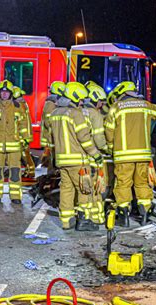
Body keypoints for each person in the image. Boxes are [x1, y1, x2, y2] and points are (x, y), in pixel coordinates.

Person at [105, 81, 156, 227]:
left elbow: (109, 131)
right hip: (143, 155)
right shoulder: (145, 105)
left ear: (122, 93)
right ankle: (145, 213)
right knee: (142, 184)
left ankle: (124, 216)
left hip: (123, 155)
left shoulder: (116, 108)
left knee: (123, 184)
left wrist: (110, 147)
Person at [44, 82, 102, 231]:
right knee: (85, 190)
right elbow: (84, 138)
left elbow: (51, 136)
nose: (82, 103)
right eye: (81, 99)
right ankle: (84, 220)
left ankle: (66, 220)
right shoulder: (76, 113)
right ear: (74, 97)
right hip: (78, 160)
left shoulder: (55, 113)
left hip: (62, 160)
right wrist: (95, 155)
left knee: (66, 189)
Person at [0, 80, 28, 206]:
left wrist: (25, 139)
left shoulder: (18, 107)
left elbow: (23, 124)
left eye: (6, 92)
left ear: (11, 94)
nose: (4, 95)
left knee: (15, 173)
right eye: (2, 92)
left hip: (14, 146)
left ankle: (15, 197)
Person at [82, 84, 109, 224]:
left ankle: (85, 216)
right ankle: (96, 218)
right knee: (96, 189)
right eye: (101, 102)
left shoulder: (79, 111)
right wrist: (106, 148)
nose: (101, 105)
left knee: (83, 188)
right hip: (93, 157)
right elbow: (98, 139)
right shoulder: (95, 114)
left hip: (80, 157)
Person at [40, 81, 66, 172]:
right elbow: (48, 122)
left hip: (52, 137)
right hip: (51, 137)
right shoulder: (51, 104)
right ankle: (50, 179)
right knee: (52, 162)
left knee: (54, 161)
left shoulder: (53, 103)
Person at [12, 86, 35, 178]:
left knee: (24, 153)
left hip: (23, 134)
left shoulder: (18, 105)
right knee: (25, 153)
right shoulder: (23, 103)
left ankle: (30, 170)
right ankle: (29, 170)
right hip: (25, 133)